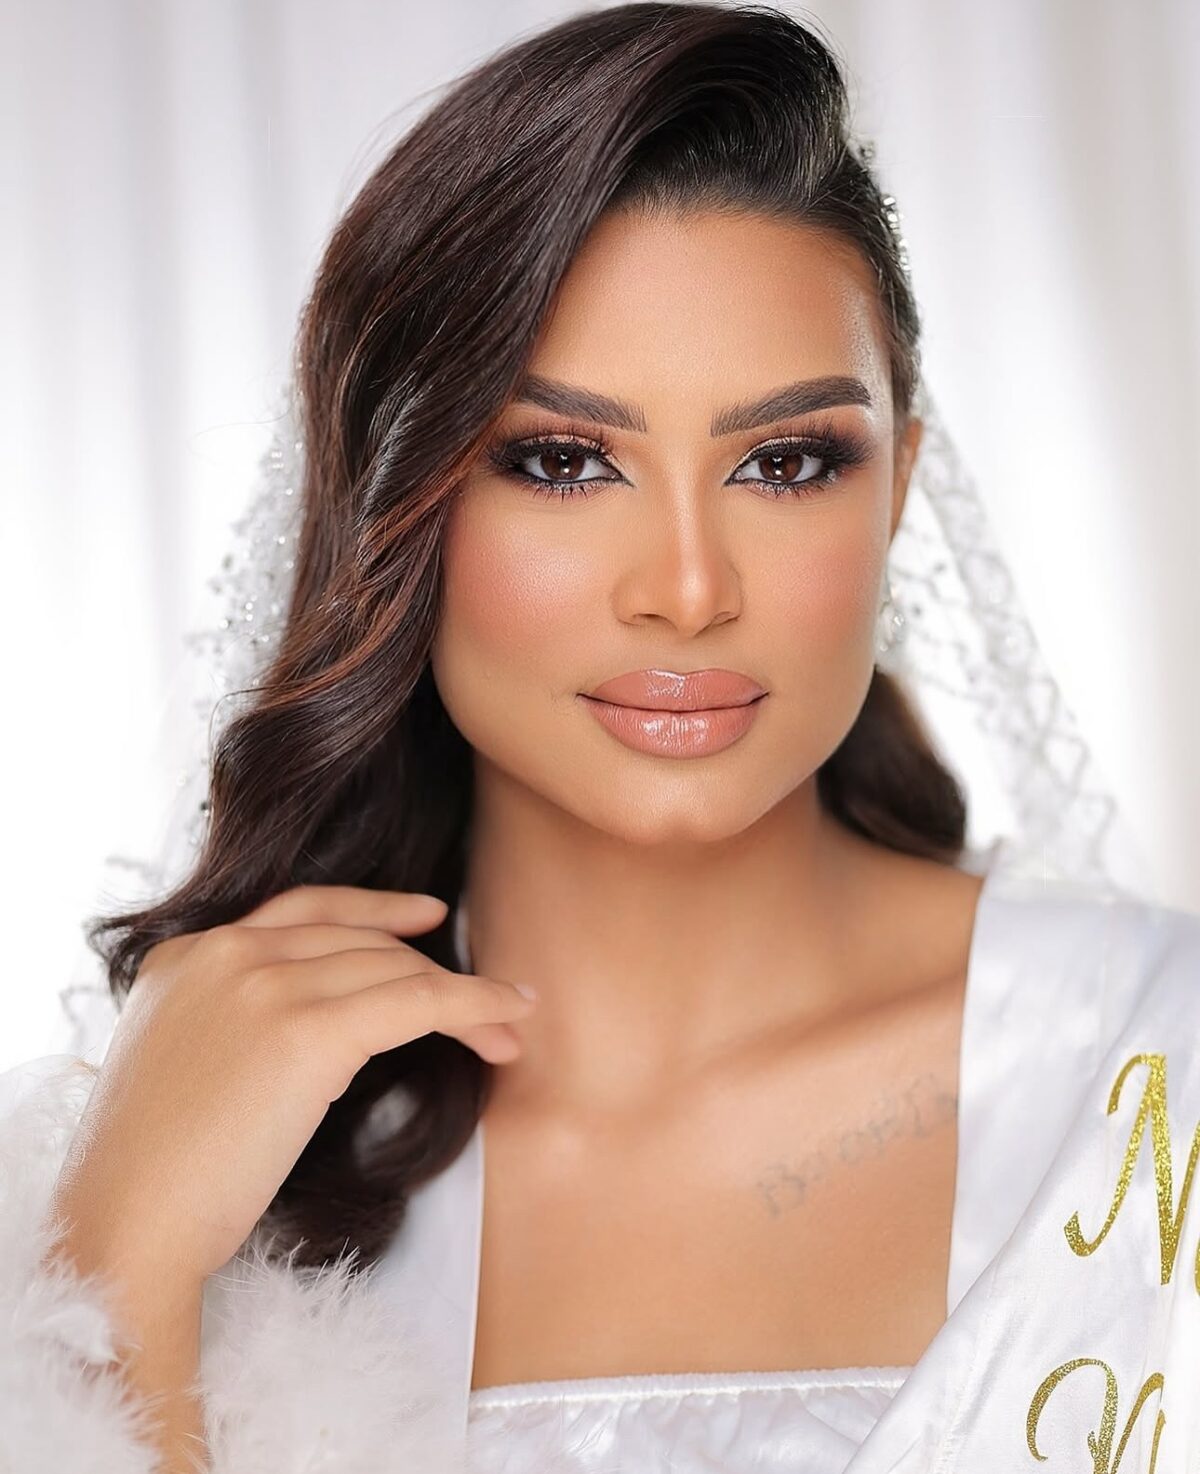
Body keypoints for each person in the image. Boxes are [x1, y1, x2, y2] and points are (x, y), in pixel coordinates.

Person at [1, 4, 1196, 1472]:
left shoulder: (1158, 1071)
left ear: (898, 486)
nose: (687, 589)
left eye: (785, 461)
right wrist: (117, 1268)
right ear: (396, 502)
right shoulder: (223, 1153)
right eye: (564, 461)